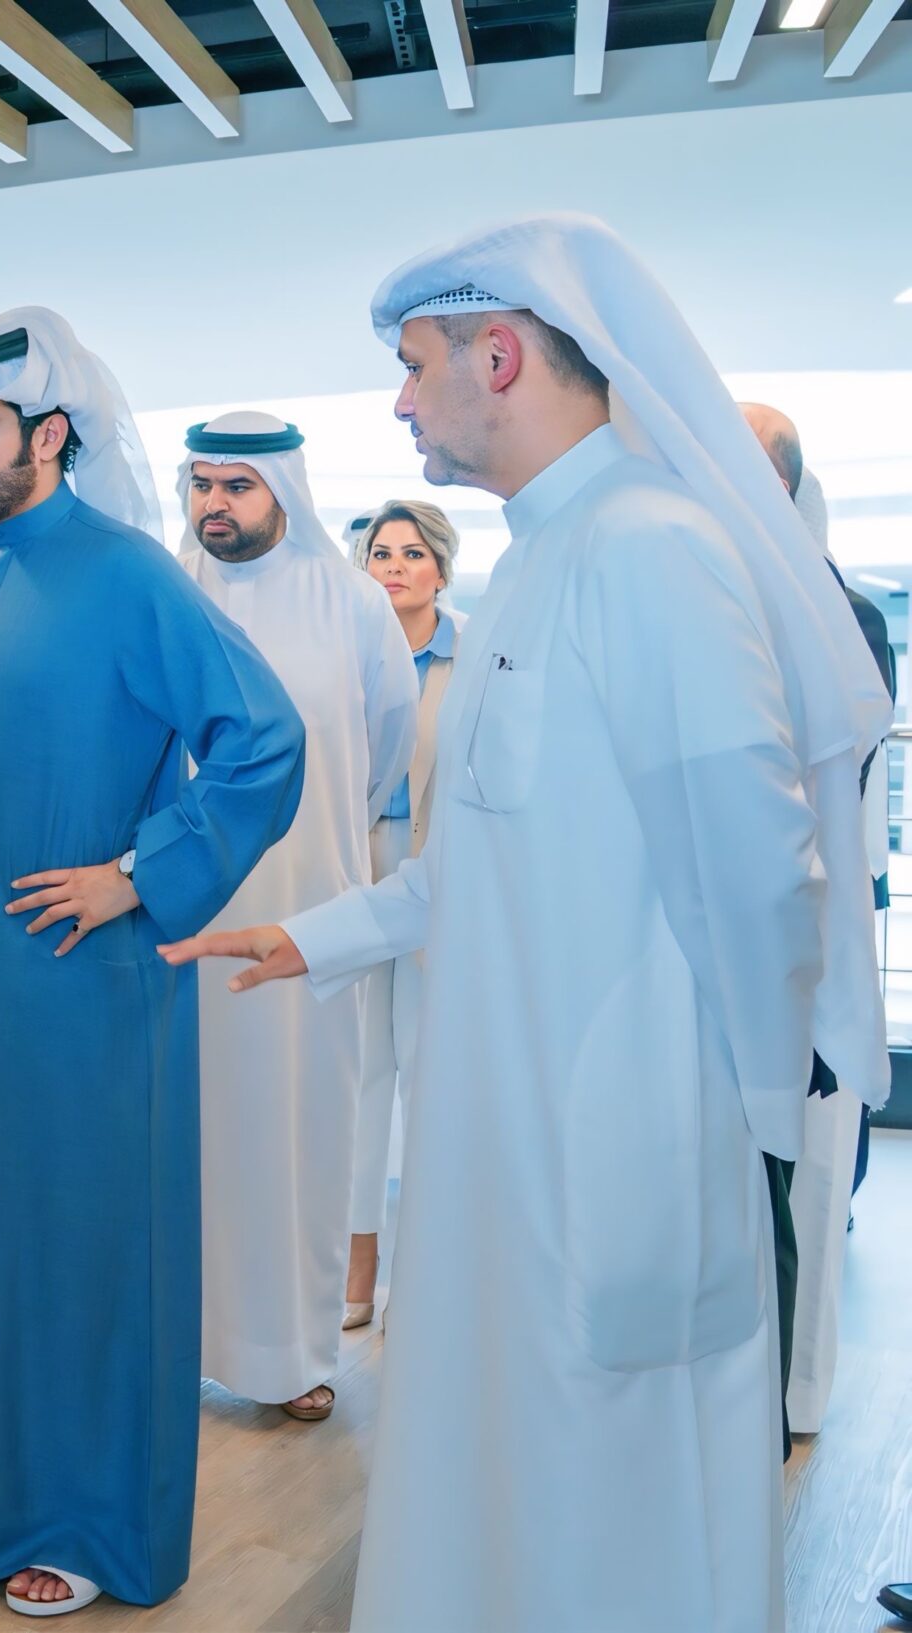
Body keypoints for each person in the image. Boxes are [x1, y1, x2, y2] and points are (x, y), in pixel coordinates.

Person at [163, 214, 891, 1631]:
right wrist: (313, 934)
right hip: (516, 1136)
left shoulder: (653, 550)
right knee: (508, 1489)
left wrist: (727, 1121)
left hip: (620, 1142)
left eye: (414, 362)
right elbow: (487, 856)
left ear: (497, 355)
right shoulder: (545, 558)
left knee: (618, 1513)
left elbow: (760, 871)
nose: (399, 399)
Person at [0, 308, 305, 1617]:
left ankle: (80, 1518)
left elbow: (263, 743)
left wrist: (140, 875)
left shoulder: (132, 576)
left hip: (79, 985)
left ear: (50, 434)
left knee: (73, 1243)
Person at [174, 414, 418, 1421]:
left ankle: (294, 1352)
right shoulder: (170, 591)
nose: (215, 504)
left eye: (238, 485)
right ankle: (180, 1340)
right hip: (188, 915)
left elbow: (387, 745)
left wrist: (324, 843)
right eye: (202, 484)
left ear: (283, 490)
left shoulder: (352, 601)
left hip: (311, 910)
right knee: (190, 1136)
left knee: (303, 1131)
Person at [738, 401, 896, 1450]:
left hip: (810, 929)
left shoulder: (845, 615)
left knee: (806, 1176)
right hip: (727, 937)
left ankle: (787, 1406)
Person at [345, 498, 466, 1326]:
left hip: (438, 877)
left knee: (428, 1074)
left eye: (412, 553)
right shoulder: (348, 649)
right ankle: (356, 1274)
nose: (394, 566)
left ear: (441, 569)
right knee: (361, 1074)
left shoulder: (476, 653)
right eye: (381, 553)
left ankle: (423, 1277)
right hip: (358, 870)